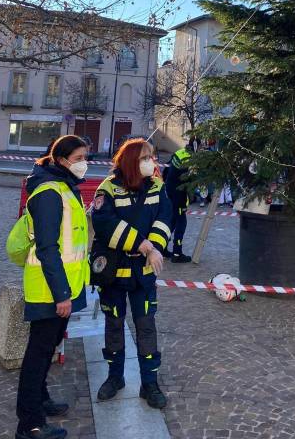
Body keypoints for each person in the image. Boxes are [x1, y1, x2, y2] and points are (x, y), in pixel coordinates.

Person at [16, 135, 90, 439]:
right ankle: (29, 424)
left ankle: (41, 400)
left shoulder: (62, 185)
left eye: (86, 157)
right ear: (61, 160)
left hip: (63, 288)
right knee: (38, 354)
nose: (84, 164)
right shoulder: (48, 192)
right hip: (49, 291)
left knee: (46, 351)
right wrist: (62, 294)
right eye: (79, 158)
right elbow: (48, 248)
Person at [91, 138, 172, 408]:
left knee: (146, 326)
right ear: (131, 161)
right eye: (146, 157)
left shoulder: (157, 187)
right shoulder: (108, 189)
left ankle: (150, 384)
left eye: (153, 157)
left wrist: (156, 247)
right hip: (114, 274)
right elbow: (104, 223)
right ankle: (115, 377)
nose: (153, 162)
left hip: (143, 274)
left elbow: (165, 218)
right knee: (114, 325)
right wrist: (142, 244)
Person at [164, 141, 195, 262]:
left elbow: (168, 169)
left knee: (172, 221)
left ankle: (162, 247)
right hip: (178, 193)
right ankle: (177, 253)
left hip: (171, 189)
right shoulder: (189, 158)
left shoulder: (180, 152)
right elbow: (188, 178)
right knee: (181, 222)